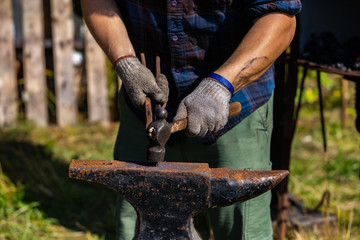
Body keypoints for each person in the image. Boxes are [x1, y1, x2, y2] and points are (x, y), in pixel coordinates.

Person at [81, 0, 302, 239]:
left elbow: (281, 19)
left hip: (234, 107)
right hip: (144, 109)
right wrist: (125, 61)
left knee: (241, 230)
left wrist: (220, 85)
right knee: (139, 227)